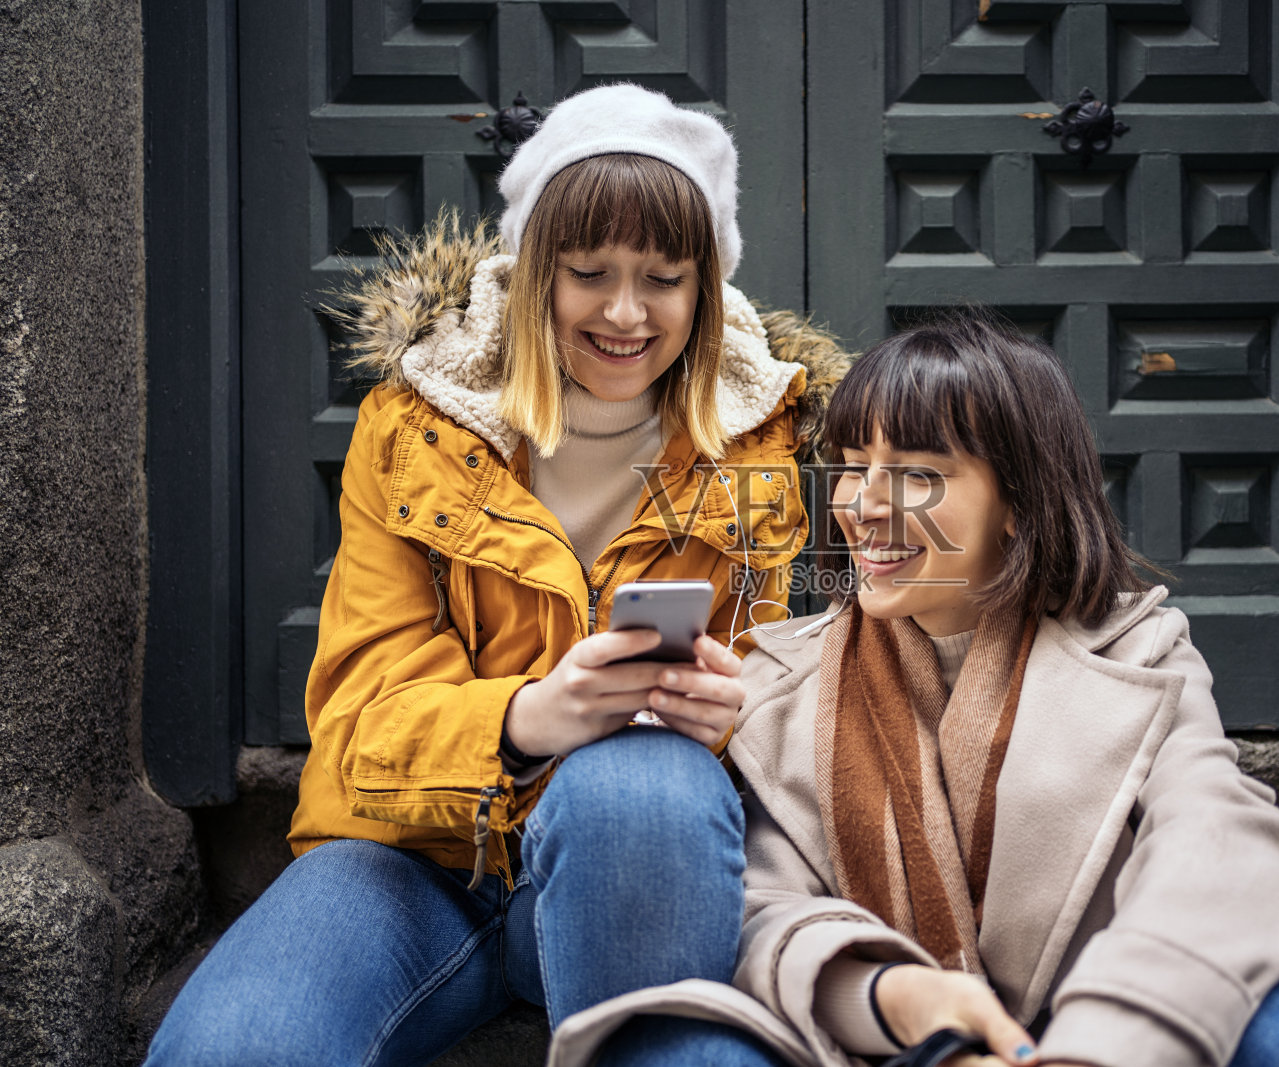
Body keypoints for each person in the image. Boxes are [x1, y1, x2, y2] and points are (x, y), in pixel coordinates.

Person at [145, 83, 846, 1066]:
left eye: (663, 277)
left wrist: (743, 715)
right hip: (414, 866)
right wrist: (523, 721)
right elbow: (355, 727)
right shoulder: (415, 427)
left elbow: (816, 697)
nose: (625, 312)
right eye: (588, 271)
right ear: (532, 273)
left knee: (638, 787)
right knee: (236, 1048)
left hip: (641, 862)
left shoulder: (764, 440)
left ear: (705, 285)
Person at [546, 312, 1279, 1067]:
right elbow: (761, 909)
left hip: (1086, 1031)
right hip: (890, 1043)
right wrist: (904, 1004)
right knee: (681, 1045)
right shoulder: (780, 677)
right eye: (850, 465)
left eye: (916, 474)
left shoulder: (1139, 648)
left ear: (1018, 502)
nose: (864, 506)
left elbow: (1221, 843)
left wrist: (1091, 1049)